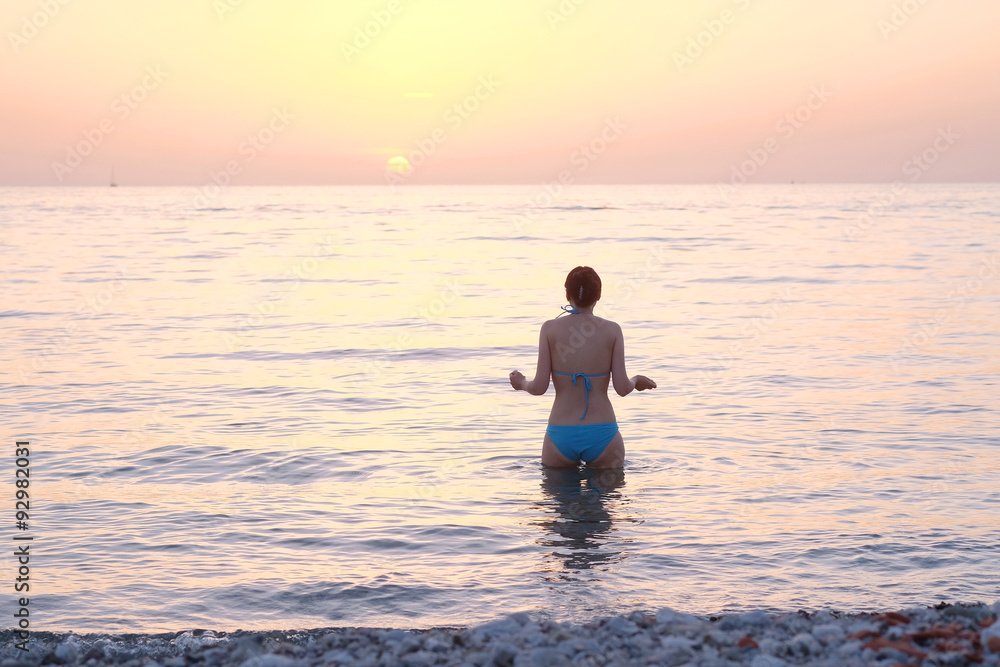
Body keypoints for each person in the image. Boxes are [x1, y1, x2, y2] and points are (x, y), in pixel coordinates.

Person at [509, 266, 656, 468]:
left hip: (561, 433)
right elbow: (622, 388)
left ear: (567, 294)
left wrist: (521, 383)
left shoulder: (549, 329)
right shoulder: (612, 330)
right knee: (608, 498)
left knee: (558, 498)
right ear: (599, 295)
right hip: (603, 434)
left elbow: (539, 387)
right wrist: (636, 380)